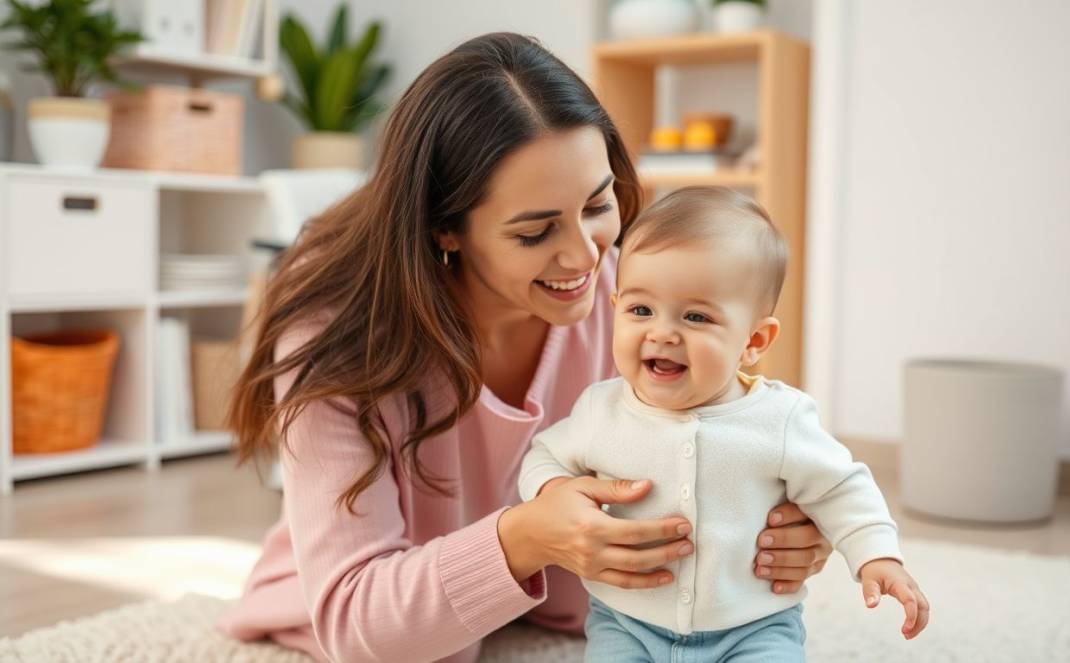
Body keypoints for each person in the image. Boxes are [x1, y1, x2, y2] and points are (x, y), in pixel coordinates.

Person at [216, 33, 835, 663]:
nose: (586, 256)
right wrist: (524, 539)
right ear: (445, 228)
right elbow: (357, 621)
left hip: (567, 602)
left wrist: (786, 526)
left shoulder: (632, 296)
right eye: (536, 232)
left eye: (598, 204)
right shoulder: (336, 333)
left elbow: (724, 435)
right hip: (375, 612)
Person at [518, 187, 931, 662]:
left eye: (696, 316)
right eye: (640, 310)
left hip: (751, 627)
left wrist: (877, 556)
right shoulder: (600, 409)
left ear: (753, 340)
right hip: (627, 623)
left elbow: (842, 488)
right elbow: (543, 456)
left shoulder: (781, 419)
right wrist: (552, 491)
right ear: (616, 308)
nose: (662, 332)